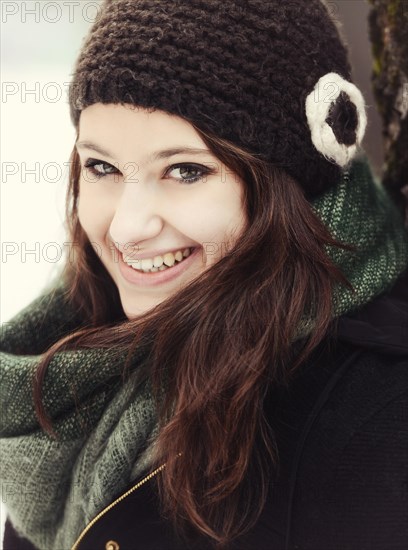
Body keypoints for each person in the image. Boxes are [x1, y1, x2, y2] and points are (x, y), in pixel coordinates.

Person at [1, 1, 408, 549]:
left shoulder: (372, 418)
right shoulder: (67, 355)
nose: (126, 229)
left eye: (186, 171)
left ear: (286, 186)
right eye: (102, 167)